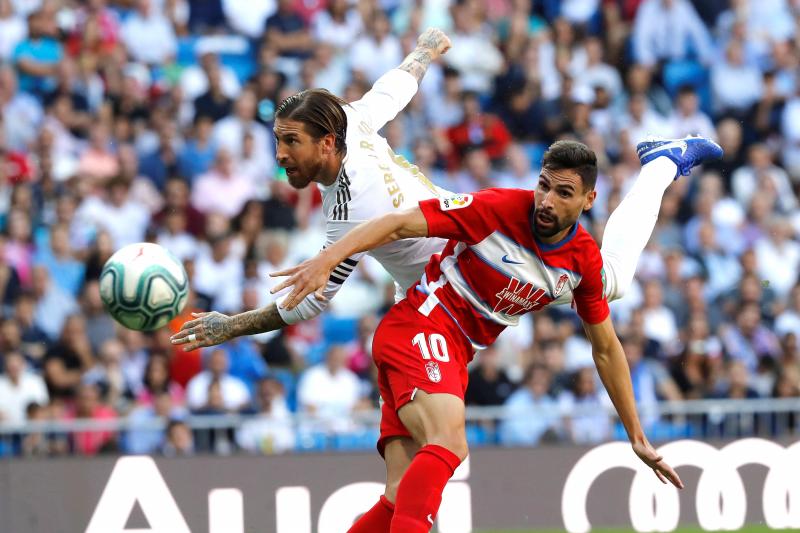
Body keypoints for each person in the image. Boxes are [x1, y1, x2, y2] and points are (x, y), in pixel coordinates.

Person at [170, 26, 717, 357]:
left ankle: (663, 163)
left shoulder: (346, 211)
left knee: (611, 281)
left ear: (325, 142)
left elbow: (306, 305)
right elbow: (393, 89)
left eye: (290, 141)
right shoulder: (354, 122)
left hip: (466, 272)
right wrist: (424, 51)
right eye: (278, 141)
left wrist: (232, 326)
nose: (280, 154)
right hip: (442, 267)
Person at [269, 138, 722, 532]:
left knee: (398, 496)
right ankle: (662, 162)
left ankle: (662, 162)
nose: (546, 200)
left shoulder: (580, 258)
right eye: (544, 185)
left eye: (563, 193)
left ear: (587, 201)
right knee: (449, 443)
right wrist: (327, 259)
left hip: (448, 349)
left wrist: (636, 434)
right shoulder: (498, 208)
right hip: (421, 327)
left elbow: (605, 348)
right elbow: (398, 222)